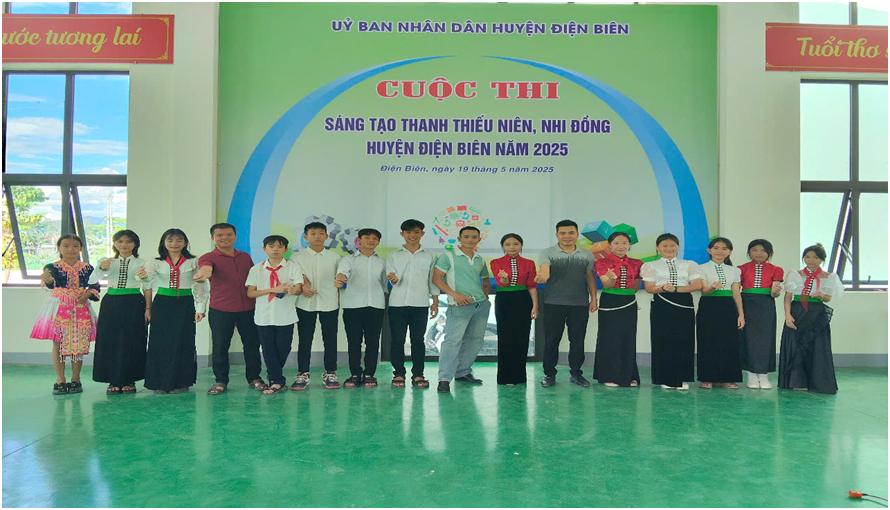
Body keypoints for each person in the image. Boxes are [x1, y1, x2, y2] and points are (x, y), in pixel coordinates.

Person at [195, 223, 267, 395]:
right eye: (219, 235)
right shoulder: (208, 257)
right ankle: (220, 381)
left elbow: (253, 279)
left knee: (252, 345)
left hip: (248, 308)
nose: (224, 238)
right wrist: (203, 275)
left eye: (228, 234)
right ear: (213, 238)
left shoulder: (244, 257)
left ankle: (254, 378)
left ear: (235, 236)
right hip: (221, 309)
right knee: (220, 346)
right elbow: (206, 269)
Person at [137, 229, 208, 394]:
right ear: (163, 242)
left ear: (185, 242)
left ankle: (182, 382)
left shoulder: (194, 261)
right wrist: (142, 276)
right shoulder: (155, 262)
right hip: (162, 304)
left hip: (185, 304)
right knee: (159, 343)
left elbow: (201, 286)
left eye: (179, 240)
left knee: (185, 342)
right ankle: (159, 383)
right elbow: (147, 279)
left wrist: (200, 308)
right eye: (170, 240)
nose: (174, 243)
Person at [31, 234, 100, 395]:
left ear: (80, 248)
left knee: (79, 343)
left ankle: (76, 379)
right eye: (66, 246)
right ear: (59, 248)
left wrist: (88, 294)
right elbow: (50, 285)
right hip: (58, 307)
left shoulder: (88, 268)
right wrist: (48, 280)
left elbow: (95, 287)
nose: (71, 249)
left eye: (75, 246)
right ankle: (60, 380)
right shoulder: (52, 267)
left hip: (81, 307)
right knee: (58, 343)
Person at [535, 220, 598, 388]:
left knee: (577, 340)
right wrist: (543, 274)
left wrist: (594, 298)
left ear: (577, 235)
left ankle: (576, 374)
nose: (567, 236)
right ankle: (549, 374)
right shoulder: (547, 253)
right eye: (563, 233)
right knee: (551, 340)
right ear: (557, 235)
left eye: (571, 233)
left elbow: (590, 278)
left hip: (579, 304)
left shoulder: (586, 254)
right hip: (553, 303)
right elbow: (544, 268)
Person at [90, 230, 152, 395]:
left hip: (134, 302)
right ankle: (113, 380)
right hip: (111, 302)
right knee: (110, 340)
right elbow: (92, 279)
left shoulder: (143, 263)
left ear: (135, 244)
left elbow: (147, 287)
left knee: (133, 340)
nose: (124, 245)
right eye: (120, 241)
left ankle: (129, 379)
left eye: (129, 241)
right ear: (115, 244)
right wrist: (101, 268)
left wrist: (148, 309)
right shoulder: (107, 261)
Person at [432, 226, 492, 393]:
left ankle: (463, 372)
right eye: (466, 236)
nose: (470, 240)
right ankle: (444, 379)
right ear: (459, 239)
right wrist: (455, 295)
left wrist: (485, 295)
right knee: (452, 342)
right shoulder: (448, 257)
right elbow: (436, 279)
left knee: (475, 340)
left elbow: (485, 279)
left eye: (474, 237)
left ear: (479, 239)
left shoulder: (479, 259)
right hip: (458, 306)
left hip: (480, 306)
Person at [779, 243, 844, 394]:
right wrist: (788, 315)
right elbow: (788, 296)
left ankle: (816, 382)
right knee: (795, 345)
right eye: (807, 257)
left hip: (816, 314)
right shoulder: (795, 274)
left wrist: (821, 296)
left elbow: (828, 298)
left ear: (822, 259)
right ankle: (796, 381)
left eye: (815, 257)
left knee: (817, 346)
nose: (811, 260)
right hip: (797, 312)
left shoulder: (829, 277)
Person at [641, 233, 704, 390]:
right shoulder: (650, 265)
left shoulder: (689, 264)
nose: (669, 248)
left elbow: (697, 285)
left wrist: (675, 289)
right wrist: (663, 288)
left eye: (672, 245)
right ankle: (665, 377)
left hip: (684, 302)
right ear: (658, 248)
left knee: (685, 339)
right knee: (663, 339)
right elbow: (649, 288)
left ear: (678, 247)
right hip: (661, 303)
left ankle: (683, 378)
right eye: (664, 246)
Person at [245, 235, 303, 395]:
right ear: (265, 249)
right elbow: (251, 293)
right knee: (268, 348)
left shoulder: (293, 267)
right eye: (271, 246)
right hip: (263, 316)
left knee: (284, 347)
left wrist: (293, 290)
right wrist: (273, 290)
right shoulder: (256, 269)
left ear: (286, 249)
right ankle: (277, 381)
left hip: (286, 315)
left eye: (279, 246)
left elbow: (298, 288)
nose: (275, 249)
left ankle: (273, 374)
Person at [385, 219, 440, 388]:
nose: (412, 235)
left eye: (416, 232)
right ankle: (398, 374)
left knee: (418, 340)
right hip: (397, 304)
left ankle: (418, 374)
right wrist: (393, 278)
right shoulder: (393, 255)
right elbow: (390, 275)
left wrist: (435, 301)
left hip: (420, 303)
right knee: (397, 340)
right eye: (408, 232)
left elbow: (432, 279)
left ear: (422, 234)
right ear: (402, 234)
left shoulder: (430, 255)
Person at [291, 222, 342, 390]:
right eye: (313, 233)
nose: (317, 236)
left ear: (326, 236)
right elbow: (296, 276)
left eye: (321, 233)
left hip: (329, 302)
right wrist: (303, 285)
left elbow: (340, 277)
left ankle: (330, 372)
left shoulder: (334, 257)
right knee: (305, 339)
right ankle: (302, 373)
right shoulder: (297, 257)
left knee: (330, 339)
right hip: (305, 303)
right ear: (306, 237)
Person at [336, 228, 387, 388]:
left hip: (376, 306)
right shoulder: (349, 259)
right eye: (367, 237)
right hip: (353, 306)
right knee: (354, 342)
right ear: (359, 240)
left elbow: (384, 284)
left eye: (375, 238)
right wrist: (341, 278)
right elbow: (342, 272)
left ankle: (370, 374)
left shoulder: (382, 262)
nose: (371, 241)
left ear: (378, 242)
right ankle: (355, 374)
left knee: (373, 342)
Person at [593, 232, 643, 388]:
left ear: (629, 245)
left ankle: (630, 375)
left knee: (628, 337)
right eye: (616, 243)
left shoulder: (637, 263)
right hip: (610, 300)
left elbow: (635, 287)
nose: (620, 246)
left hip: (629, 302)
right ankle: (609, 375)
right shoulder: (601, 262)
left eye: (624, 243)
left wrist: (627, 294)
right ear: (609, 245)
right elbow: (607, 286)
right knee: (610, 337)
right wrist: (612, 279)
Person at [696, 237, 745, 389]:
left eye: (724, 248)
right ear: (709, 250)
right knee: (707, 341)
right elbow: (704, 291)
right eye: (716, 248)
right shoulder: (701, 268)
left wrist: (741, 314)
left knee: (729, 342)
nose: (720, 251)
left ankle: (728, 378)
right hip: (708, 306)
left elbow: (736, 293)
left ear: (729, 252)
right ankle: (707, 377)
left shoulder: (735, 270)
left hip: (728, 307)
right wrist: (712, 287)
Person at [490, 233, 538, 385]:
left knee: (522, 336)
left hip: (523, 299)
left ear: (521, 245)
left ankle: (519, 377)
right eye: (508, 244)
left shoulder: (529, 263)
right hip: (504, 299)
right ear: (503, 246)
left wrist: (535, 306)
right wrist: (504, 278)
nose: (512, 247)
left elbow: (531, 285)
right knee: (505, 337)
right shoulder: (496, 262)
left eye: (516, 244)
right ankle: (505, 377)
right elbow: (502, 283)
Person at [738, 239, 784, 389]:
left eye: (763, 250)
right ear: (749, 252)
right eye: (754, 250)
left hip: (766, 304)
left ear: (769, 253)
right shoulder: (741, 269)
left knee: (766, 338)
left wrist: (775, 292)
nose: (758, 253)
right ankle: (751, 374)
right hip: (746, 303)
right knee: (748, 338)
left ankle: (764, 375)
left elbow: (775, 293)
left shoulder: (777, 269)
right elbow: (736, 290)